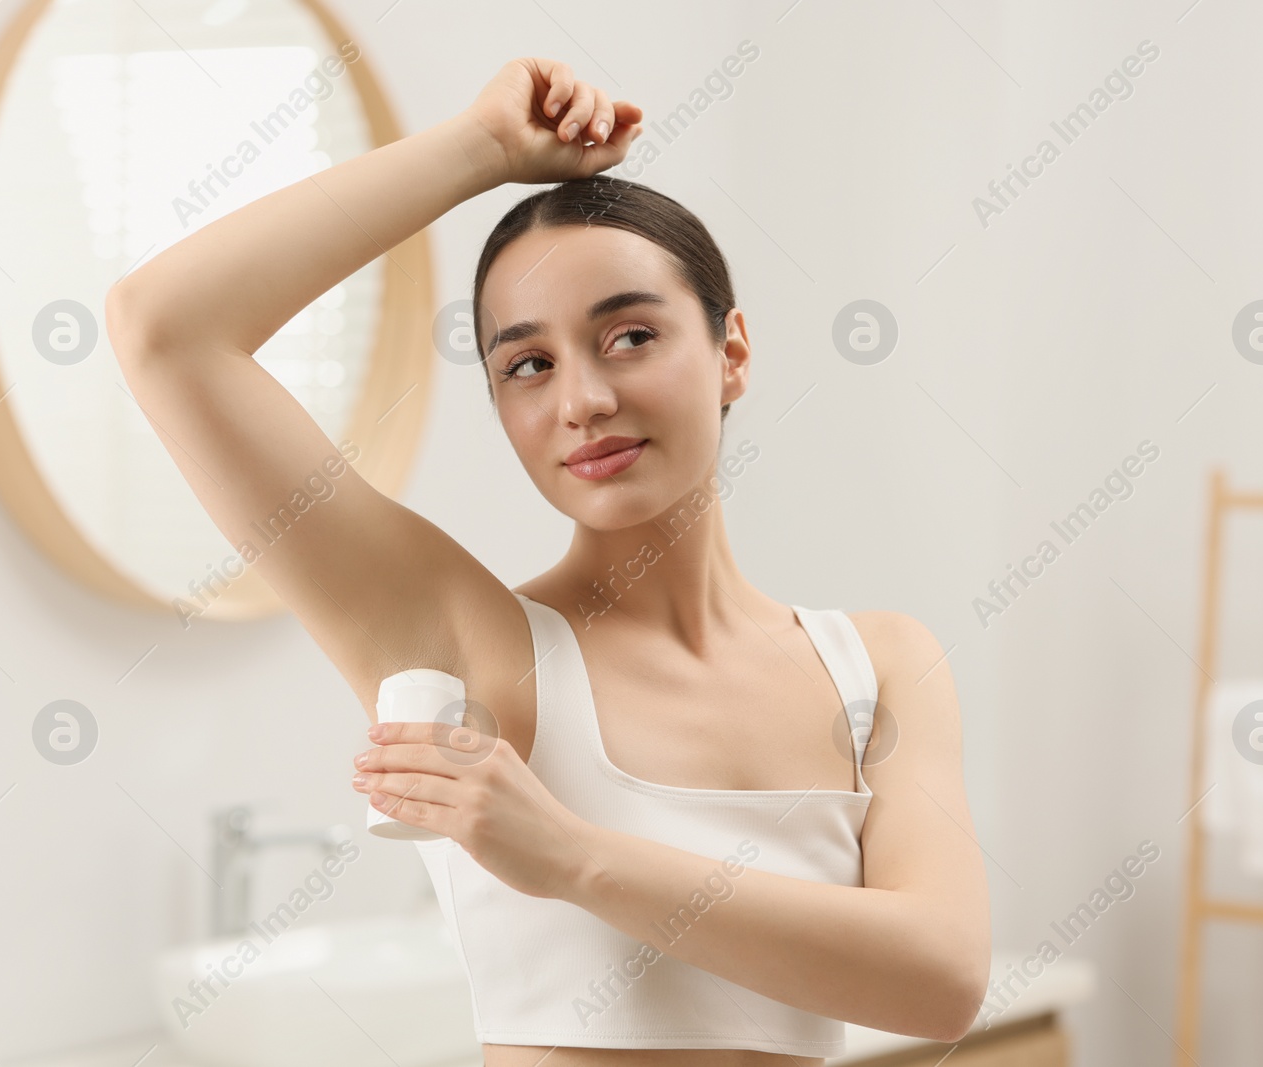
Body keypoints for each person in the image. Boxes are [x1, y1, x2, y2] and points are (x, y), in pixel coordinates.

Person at [107, 56, 989, 1067]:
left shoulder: (877, 667)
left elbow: (945, 975)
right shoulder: (471, 643)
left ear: (732, 351)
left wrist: (572, 856)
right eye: (528, 363)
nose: (581, 400)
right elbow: (166, 328)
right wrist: (480, 148)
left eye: (628, 335)